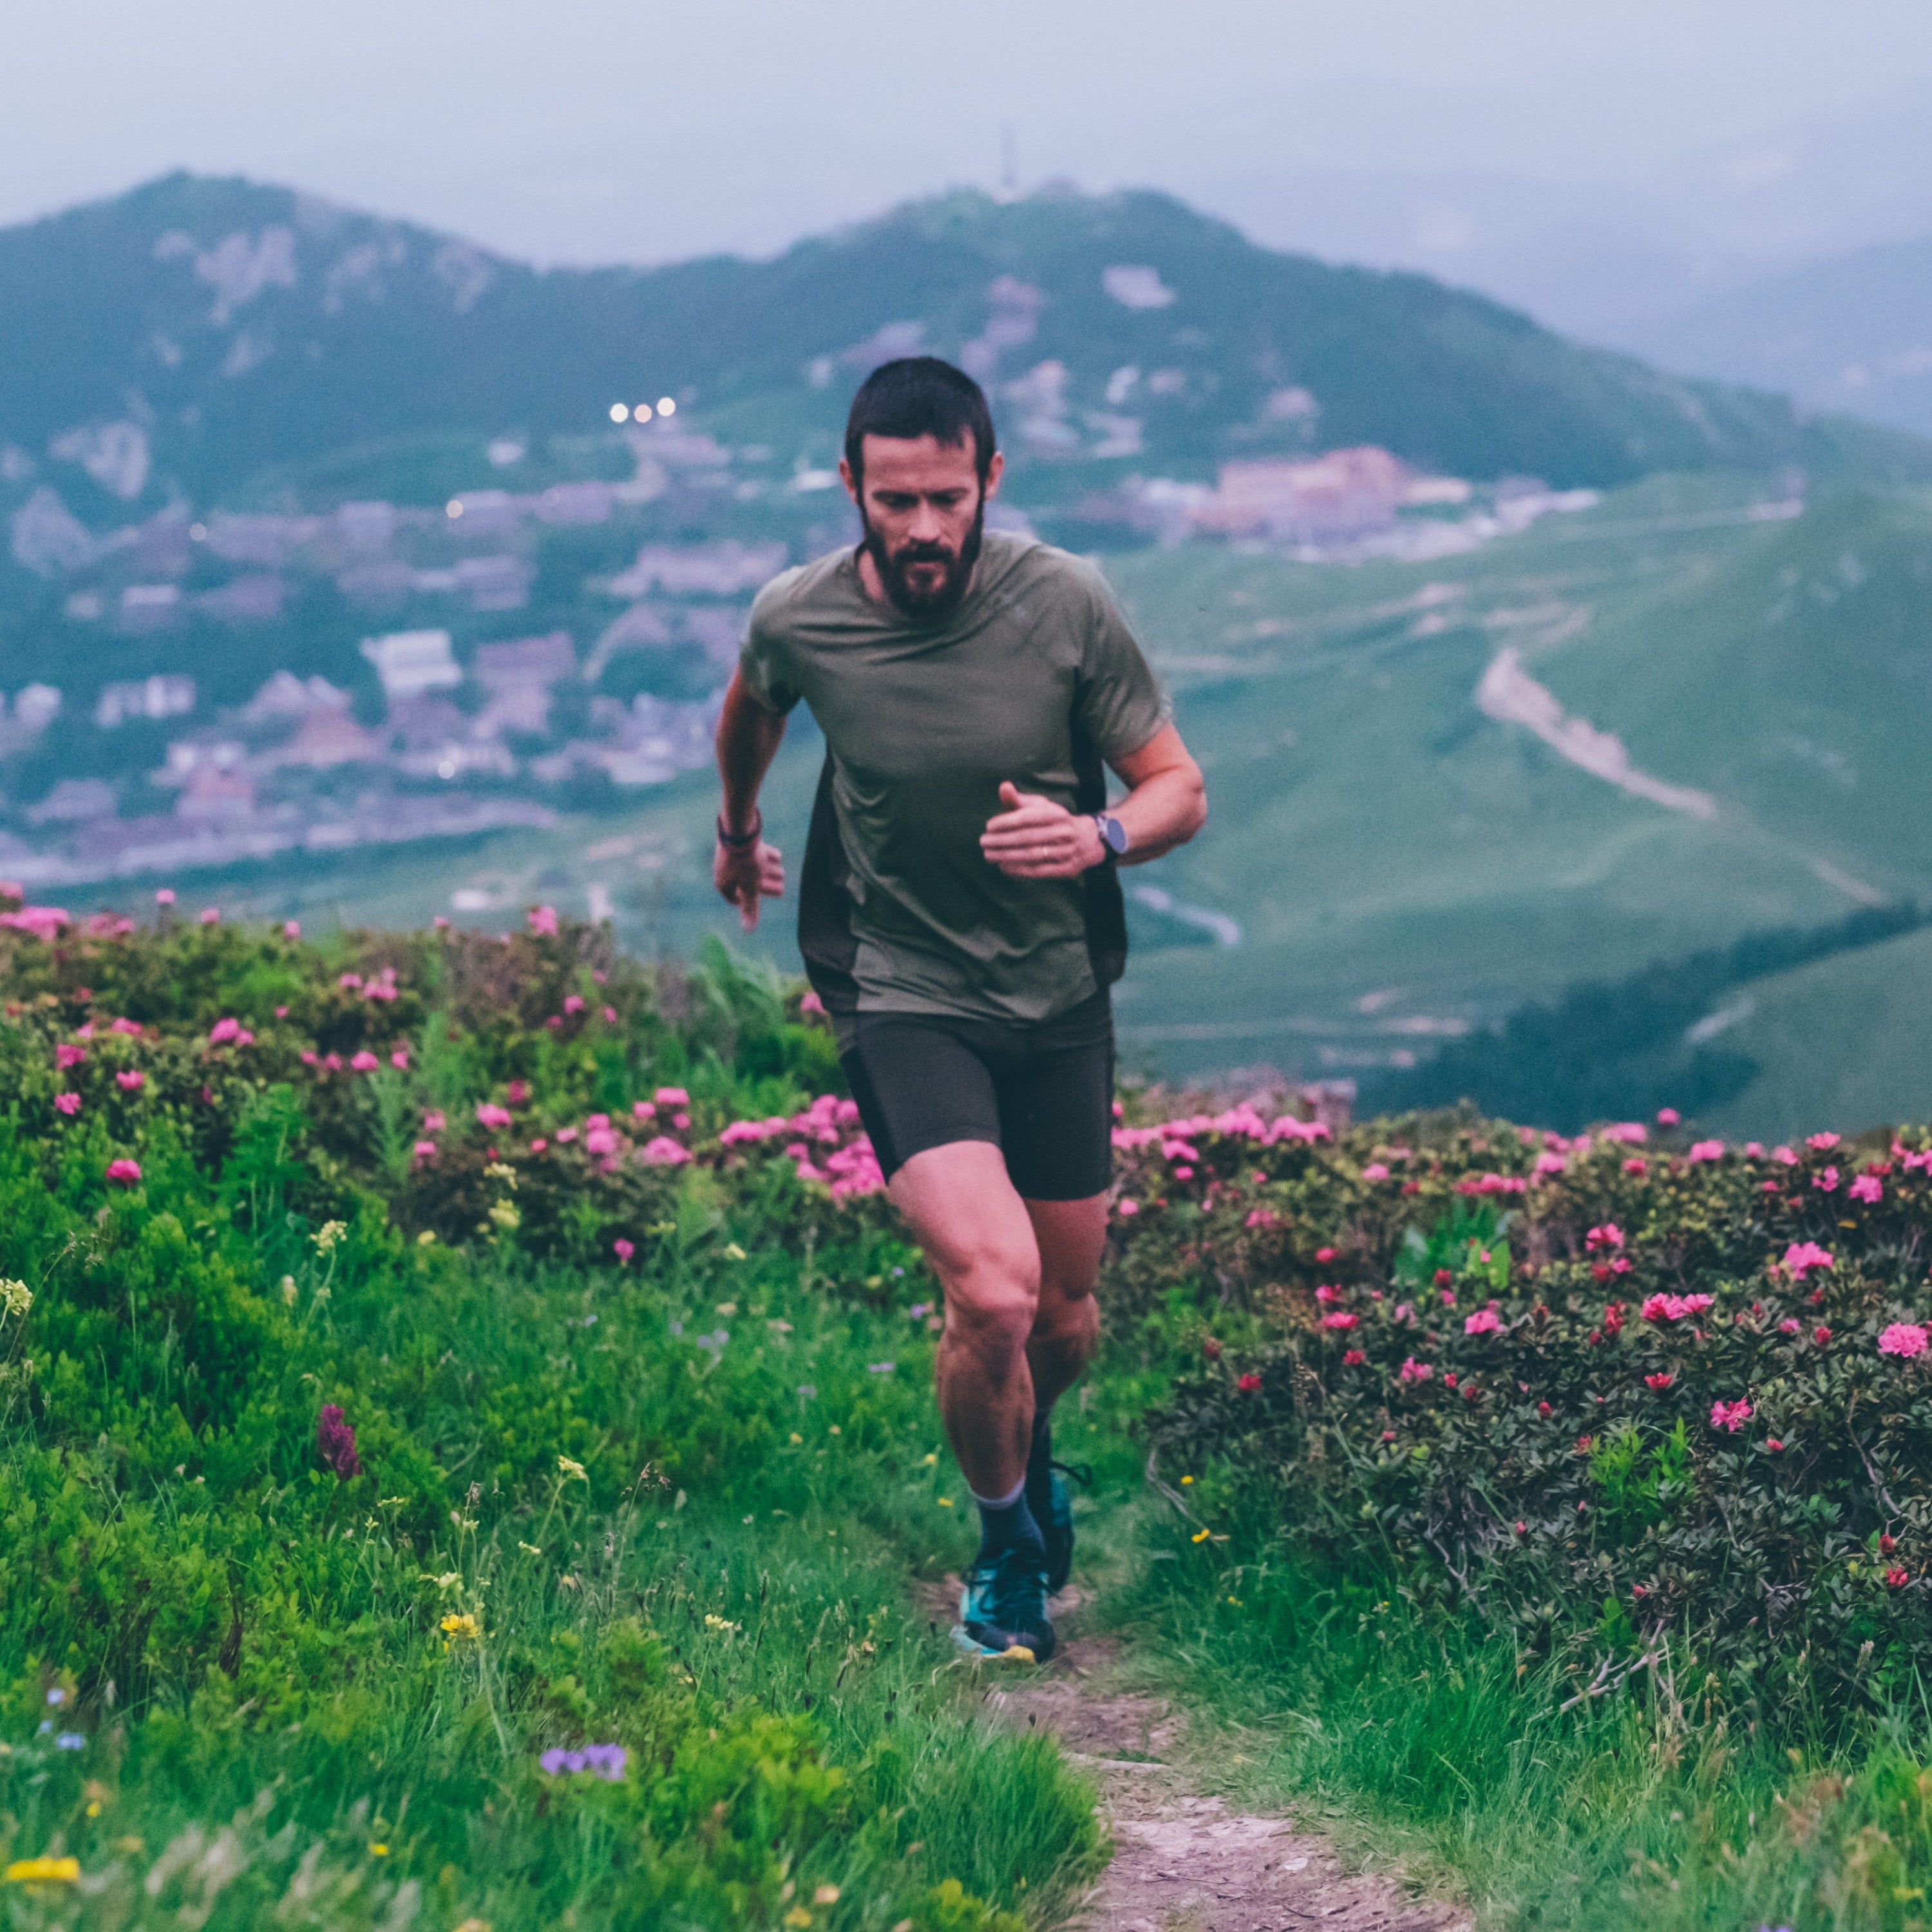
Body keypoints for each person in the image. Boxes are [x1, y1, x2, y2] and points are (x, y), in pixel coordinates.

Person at [713, 356, 1206, 1662]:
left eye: (946, 497)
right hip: (902, 990)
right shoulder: (801, 615)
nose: (922, 528)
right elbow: (754, 706)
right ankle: (1004, 1553)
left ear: (991, 479)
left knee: (1063, 1320)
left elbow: (1178, 790)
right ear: (852, 489)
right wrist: (736, 825)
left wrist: (1098, 834)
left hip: (1056, 998)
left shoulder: (1066, 607)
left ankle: (1031, 1455)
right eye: (894, 501)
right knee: (992, 1297)